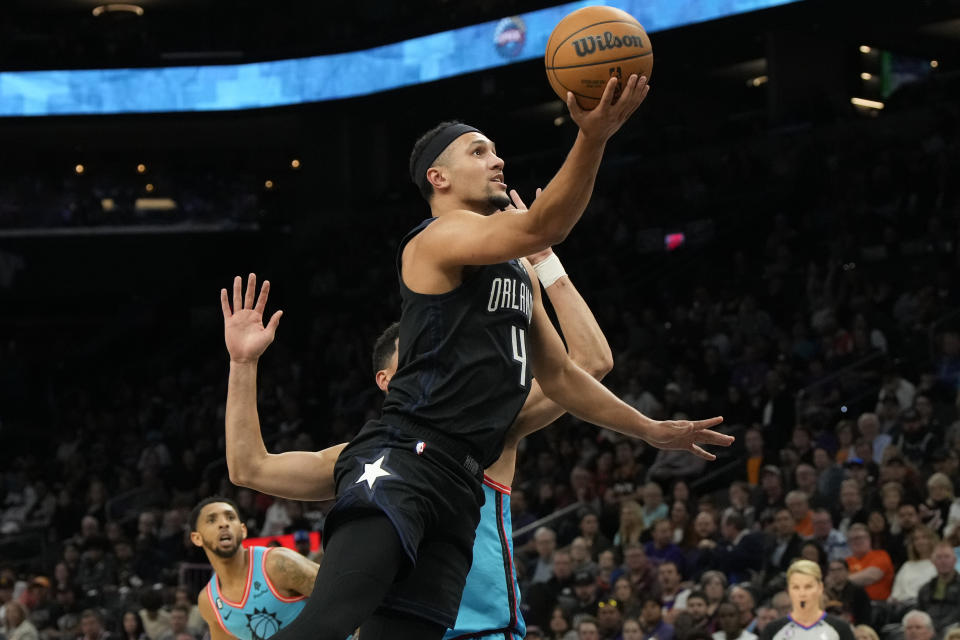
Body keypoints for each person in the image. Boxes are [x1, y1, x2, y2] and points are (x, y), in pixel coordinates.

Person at [223, 72, 734, 640]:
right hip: (403, 462)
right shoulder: (435, 238)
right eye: (478, 150)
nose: (498, 160)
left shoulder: (517, 272)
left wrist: (650, 431)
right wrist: (593, 137)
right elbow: (546, 223)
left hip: (460, 487)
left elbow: (565, 373)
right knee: (330, 621)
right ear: (438, 178)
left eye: (495, 149)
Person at [225, 239, 622, 640]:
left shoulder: (489, 426)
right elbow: (248, 467)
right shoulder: (356, 459)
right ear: (386, 379)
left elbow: (591, 363)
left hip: (480, 632)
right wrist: (243, 363)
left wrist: (544, 262)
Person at [189, 497, 320, 640]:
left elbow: (341, 593)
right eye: (212, 520)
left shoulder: (278, 563)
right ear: (197, 538)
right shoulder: (208, 602)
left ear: (243, 530)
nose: (224, 524)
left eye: (230, 517)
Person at [760, 560, 855, 640]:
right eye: (796, 587)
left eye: (808, 587)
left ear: (820, 588)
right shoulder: (772, 630)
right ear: (788, 591)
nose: (802, 593)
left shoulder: (840, 628)